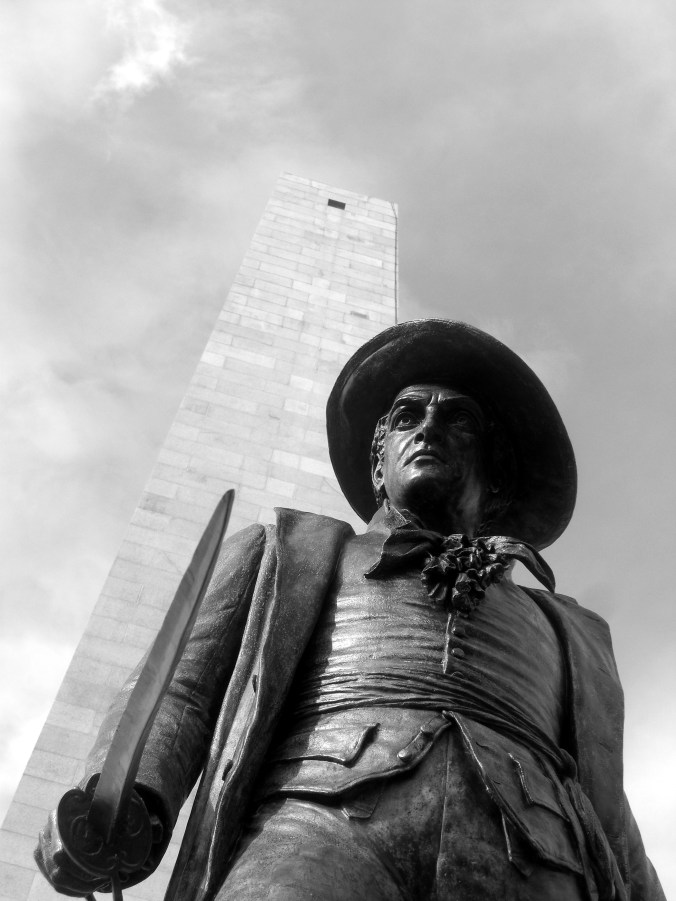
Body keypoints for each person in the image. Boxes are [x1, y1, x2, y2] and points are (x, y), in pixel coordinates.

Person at [36, 320, 664, 901]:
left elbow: (609, 809)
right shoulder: (287, 550)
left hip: (536, 858)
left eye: (460, 421)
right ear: (377, 461)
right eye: (406, 417)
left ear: (496, 479)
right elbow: (183, 689)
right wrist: (125, 797)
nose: (428, 430)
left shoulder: (572, 631)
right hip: (315, 823)